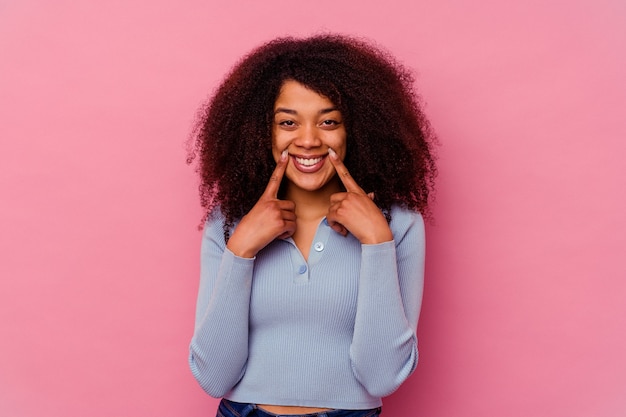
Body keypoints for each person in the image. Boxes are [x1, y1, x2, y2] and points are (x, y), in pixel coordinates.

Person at [187, 34, 437, 417]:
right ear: (261, 131)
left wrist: (375, 241)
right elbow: (214, 377)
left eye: (329, 121)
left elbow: (383, 377)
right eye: (288, 122)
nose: (308, 140)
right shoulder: (230, 224)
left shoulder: (396, 224)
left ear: (356, 129)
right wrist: (241, 250)